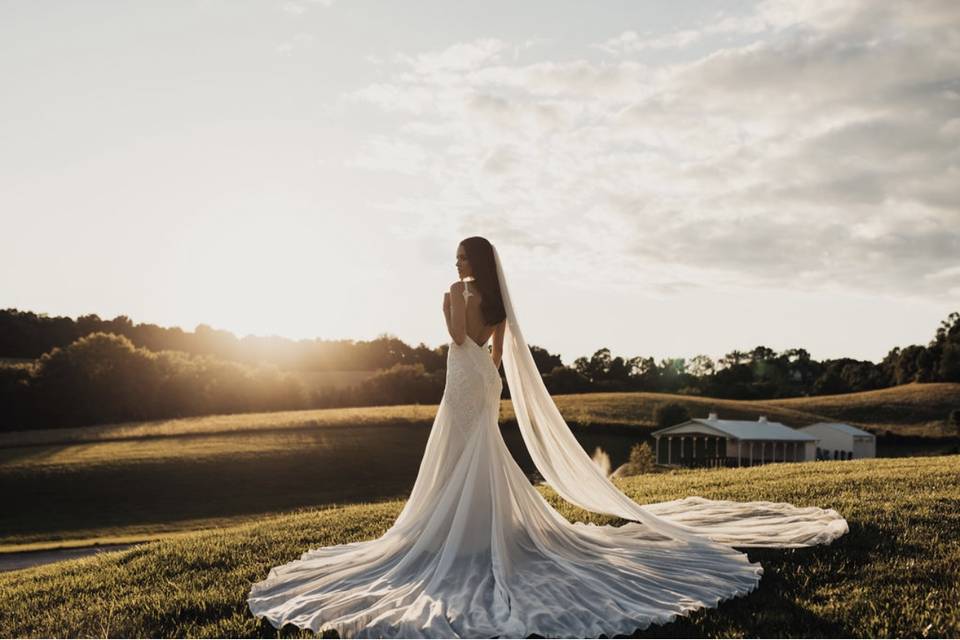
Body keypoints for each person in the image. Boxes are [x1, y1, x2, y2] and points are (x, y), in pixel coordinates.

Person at [247, 236, 850, 638]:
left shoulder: (463, 297)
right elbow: (496, 354)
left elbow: (457, 340)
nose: (456, 263)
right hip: (480, 381)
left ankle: (469, 537)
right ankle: (474, 531)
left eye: (461, 257)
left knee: (466, 455)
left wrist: (452, 304)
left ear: (473, 263)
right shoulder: (500, 304)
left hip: (465, 377)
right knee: (471, 454)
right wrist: (484, 372)